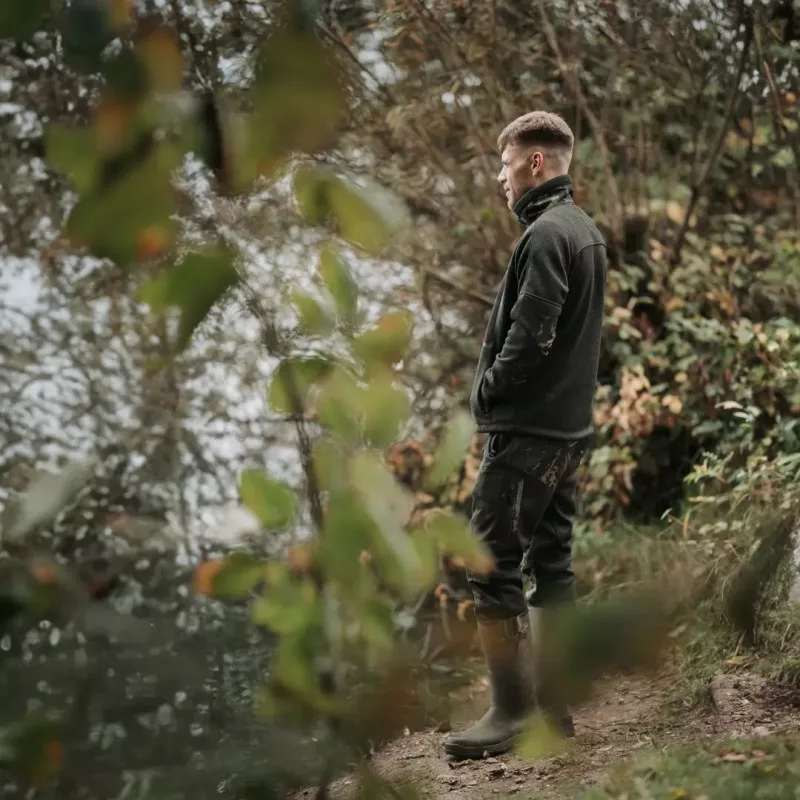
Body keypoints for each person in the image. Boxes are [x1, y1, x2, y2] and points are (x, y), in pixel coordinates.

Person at [444, 111, 608, 760]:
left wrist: (488, 391)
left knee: (488, 559)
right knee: (551, 561)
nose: (501, 177)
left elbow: (532, 336)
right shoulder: (583, 230)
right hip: (568, 432)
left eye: (506, 163)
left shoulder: (546, 235)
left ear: (535, 163)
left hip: (529, 433)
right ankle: (552, 706)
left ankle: (510, 715)